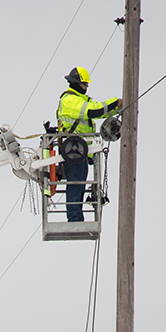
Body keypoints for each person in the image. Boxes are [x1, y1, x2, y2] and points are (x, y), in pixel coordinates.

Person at [55, 67, 121, 222]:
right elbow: (94, 111)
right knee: (77, 183)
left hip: (78, 150)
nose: (86, 87)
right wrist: (114, 102)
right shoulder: (70, 100)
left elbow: (100, 112)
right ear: (77, 84)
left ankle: (76, 217)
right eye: (85, 84)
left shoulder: (79, 100)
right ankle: (75, 218)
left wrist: (116, 108)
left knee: (79, 183)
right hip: (74, 149)